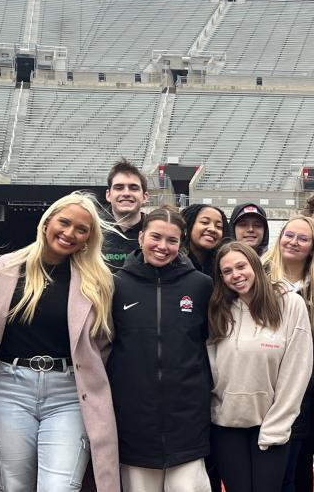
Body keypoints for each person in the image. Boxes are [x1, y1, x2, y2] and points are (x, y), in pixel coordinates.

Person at [0, 192, 120, 492]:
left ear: (87, 239)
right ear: (47, 223)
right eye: (64, 222)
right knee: (12, 486)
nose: (69, 233)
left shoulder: (98, 281)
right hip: (9, 389)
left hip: (69, 393)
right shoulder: (4, 269)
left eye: (81, 230)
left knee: (60, 487)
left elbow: (104, 343)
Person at [108, 208, 215, 491]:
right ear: (141, 237)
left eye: (172, 240)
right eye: (155, 237)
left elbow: (211, 345)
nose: (162, 247)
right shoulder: (115, 286)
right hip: (134, 424)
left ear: (181, 244)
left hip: (187, 423)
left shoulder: (201, 286)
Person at [206, 241, 314, 492]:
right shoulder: (218, 310)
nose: (236, 275)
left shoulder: (289, 304)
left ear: (255, 264)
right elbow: (211, 369)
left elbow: (297, 370)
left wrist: (277, 425)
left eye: (241, 266)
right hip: (226, 426)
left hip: (270, 425)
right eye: (227, 271)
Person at [264, 217, 314, 492]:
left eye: (302, 238)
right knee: (268, 459)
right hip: (264, 382)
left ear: (313, 246)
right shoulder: (260, 274)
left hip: (304, 386)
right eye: (289, 235)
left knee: (298, 459)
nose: (293, 242)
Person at [103, 159, 149, 270]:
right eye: (119, 188)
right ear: (108, 195)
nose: (126, 193)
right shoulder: (92, 229)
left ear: (145, 197)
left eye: (134, 188)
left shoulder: (156, 230)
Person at [183, 204, 230, 274]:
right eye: (205, 222)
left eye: (219, 226)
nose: (212, 229)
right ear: (189, 224)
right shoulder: (172, 263)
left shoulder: (224, 268)